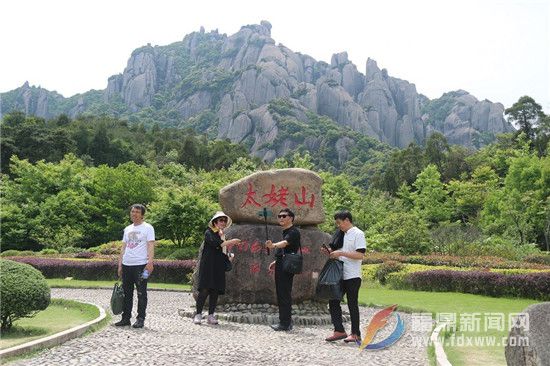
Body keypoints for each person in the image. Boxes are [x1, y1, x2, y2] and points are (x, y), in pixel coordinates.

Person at [321, 210, 366, 343]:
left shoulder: (358, 234)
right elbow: (339, 254)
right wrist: (330, 253)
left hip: (352, 275)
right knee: (333, 300)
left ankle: (355, 333)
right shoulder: (341, 235)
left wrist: (341, 253)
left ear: (347, 220)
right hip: (339, 274)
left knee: (352, 304)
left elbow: (360, 255)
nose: (338, 226)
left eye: (339, 223)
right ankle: (339, 330)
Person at [194, 211, 240, 325]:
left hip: (218, 266)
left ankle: (211, 315)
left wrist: (228, 257)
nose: (223, 222)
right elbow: (216, 244)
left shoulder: (222, 234)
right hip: (208, 266)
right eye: (221, 220)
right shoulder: (209, 232)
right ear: (215, 222)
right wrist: (231, 242)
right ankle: (198, 314)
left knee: (215, 291)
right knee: (204, 289)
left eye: (224, 221)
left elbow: (221, 251)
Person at [115, 204, 156, 328]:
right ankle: (125, 318)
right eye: (132, 211)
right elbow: (123, 247)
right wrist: (120, 265)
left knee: (141, 292)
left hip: (141, 265)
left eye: (137, 212)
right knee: (127, 293)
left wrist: (150, 262)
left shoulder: (148, 228)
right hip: (127, 264)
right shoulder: (127, 229)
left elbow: (150, 245)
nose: (134, 214)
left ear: (142, 215)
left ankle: (140, 318)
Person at [265, 208, 300, 331]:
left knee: (284, 293)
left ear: (290, 218)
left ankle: (284, 323)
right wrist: (276, 261)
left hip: (286, 266)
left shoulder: (293, 231)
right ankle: (286, 321)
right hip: (282, 263)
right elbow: (287, 250)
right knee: (282, 292)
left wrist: (273, 245)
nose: (281, 218)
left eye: (284, 216)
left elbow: (285, 243)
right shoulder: (285, 231)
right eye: (279, 216)